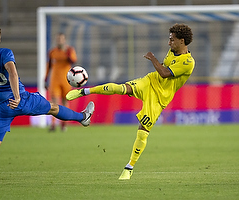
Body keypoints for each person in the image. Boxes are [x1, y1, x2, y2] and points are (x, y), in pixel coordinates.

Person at [0, 3, 94, 184]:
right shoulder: (4, 53)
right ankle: (82, 117)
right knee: (53, 108)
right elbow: (12, 73)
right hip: (21, 100)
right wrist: (17, 97)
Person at [66, 23, 195, 180]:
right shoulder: (172, 50)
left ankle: (129, 167)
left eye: (172, 40)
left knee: (143, 131)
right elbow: (160, 72)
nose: (169, 43)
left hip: (160, 98)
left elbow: (164, 73)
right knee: (121, 88)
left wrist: (152, 58)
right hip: (149, 82)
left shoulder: (188, 62)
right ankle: (85, 91)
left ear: (182, 41)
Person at [45, 33, 77, 132]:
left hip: (67, 80)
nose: (59, 41)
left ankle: (63, 124)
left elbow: (73, 61)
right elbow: (49, 66)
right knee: (54, 102)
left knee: (65, 102)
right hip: (55, 80)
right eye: (58, 39)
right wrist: (45, 78)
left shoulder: (69, 50)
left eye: (61, 39)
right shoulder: (52, 52)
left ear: (64, 40)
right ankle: (53, 124)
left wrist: (67, 53)